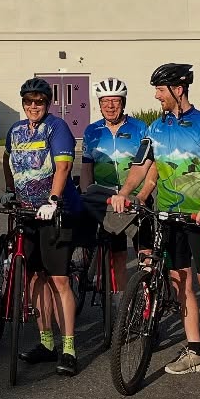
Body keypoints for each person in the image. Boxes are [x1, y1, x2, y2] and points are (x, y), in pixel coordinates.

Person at [110, 63, 200, 386]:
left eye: (160, 90)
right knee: (180, 284)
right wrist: (124, 193)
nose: (156, 96)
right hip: (169, 219)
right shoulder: (155, 128)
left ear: (178, 89)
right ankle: (194, 349)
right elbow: (140, 166)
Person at [4, 77, 83, 376]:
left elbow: (63, 166)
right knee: (36, 278)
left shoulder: (56, 127)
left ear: (47, 104)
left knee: (59, 280)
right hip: (27, 213)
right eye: (28, 102)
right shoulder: (16, 130)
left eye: (39, 102)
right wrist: (10, 189)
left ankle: (69, 348)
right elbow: (7, 159)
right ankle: (46, 342)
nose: (33, 106)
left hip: (55, 213)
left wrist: (53, 199)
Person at [80, 78, 146, 297]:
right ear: (99, 104)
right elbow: (87, 167)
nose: (110, 106)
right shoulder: (92, 131)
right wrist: (86, 193)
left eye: (115, 101)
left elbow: (150, 164)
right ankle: (120, 303)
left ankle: (146, 299)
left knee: (145, 254)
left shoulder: (140, 128)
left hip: (136, 198)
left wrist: (143, 195)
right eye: (105, 101)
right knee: (117, 255)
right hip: (107, 200)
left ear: (123, 103)